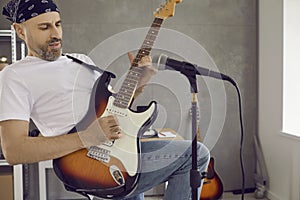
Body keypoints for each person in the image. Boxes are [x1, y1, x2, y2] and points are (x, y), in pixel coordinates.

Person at [0, 0, 210, 199]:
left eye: (58, 24)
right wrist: (87, 137)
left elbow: (111, 111)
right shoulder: (14, 75)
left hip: (122, 147)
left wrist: (138, 85)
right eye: (44, 27)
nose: (55, 34)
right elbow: (14, 151)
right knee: (196, 154)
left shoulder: (81, 61)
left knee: (175, 153)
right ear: (20, 31)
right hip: (87, 162)